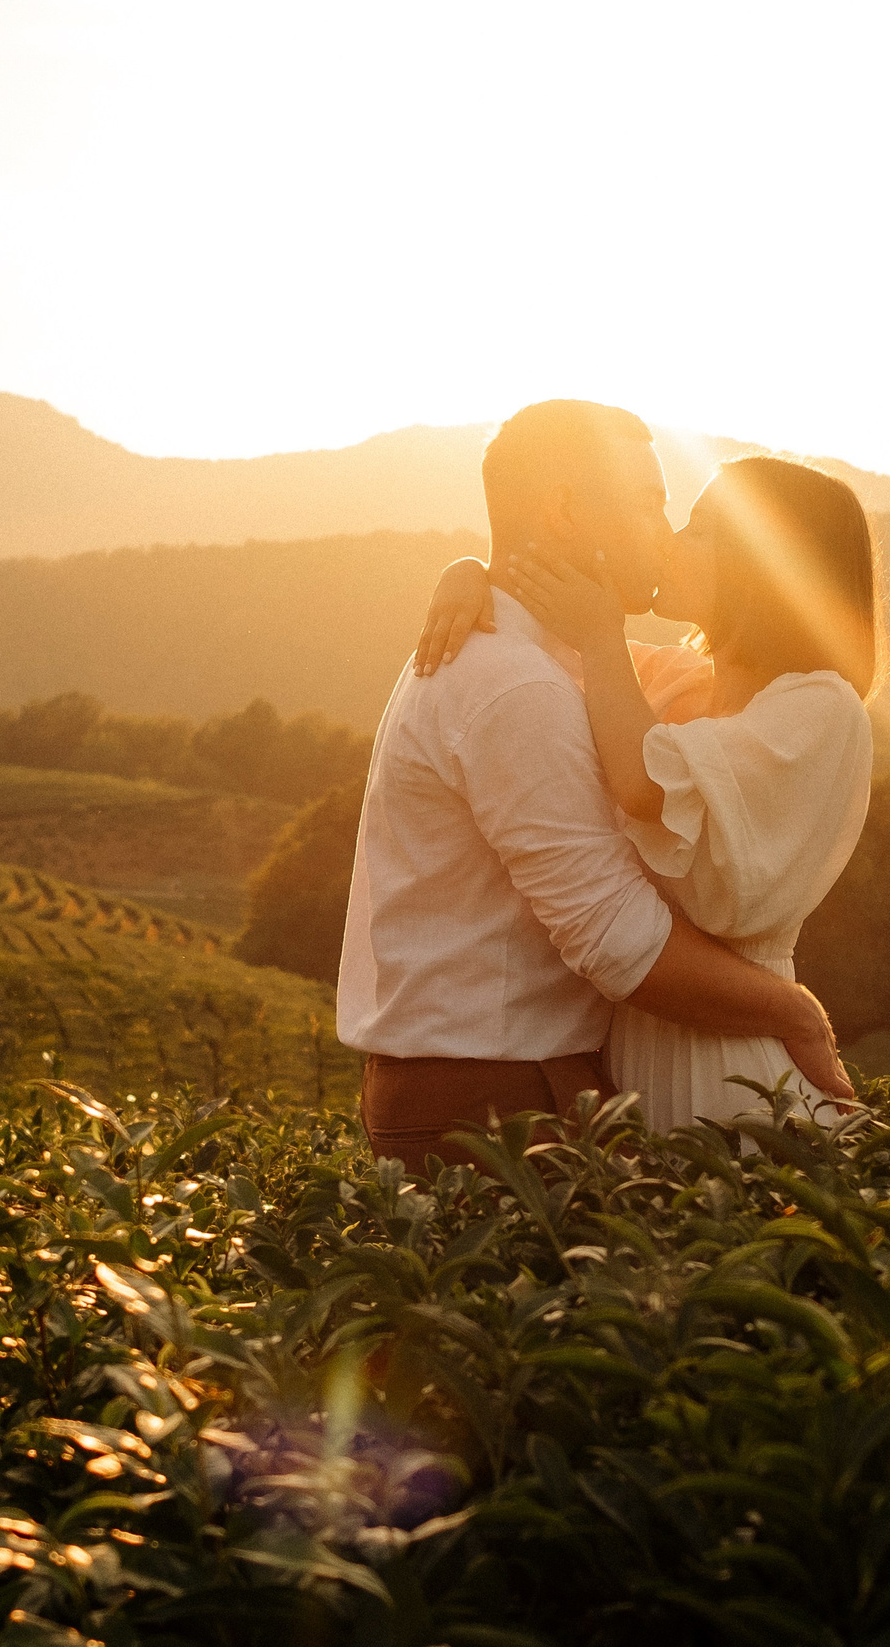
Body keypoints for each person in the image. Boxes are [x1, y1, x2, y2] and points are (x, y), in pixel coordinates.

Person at [337, 402, 853, 1171]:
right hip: (492, 1096)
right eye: (649, 501)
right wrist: (797, 1013)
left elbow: (705, 693)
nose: (664, 527)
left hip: (528, 1081)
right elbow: (610, 932)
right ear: (569, 509)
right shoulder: (517, 684)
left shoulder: (567, 664)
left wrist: (473, 569)